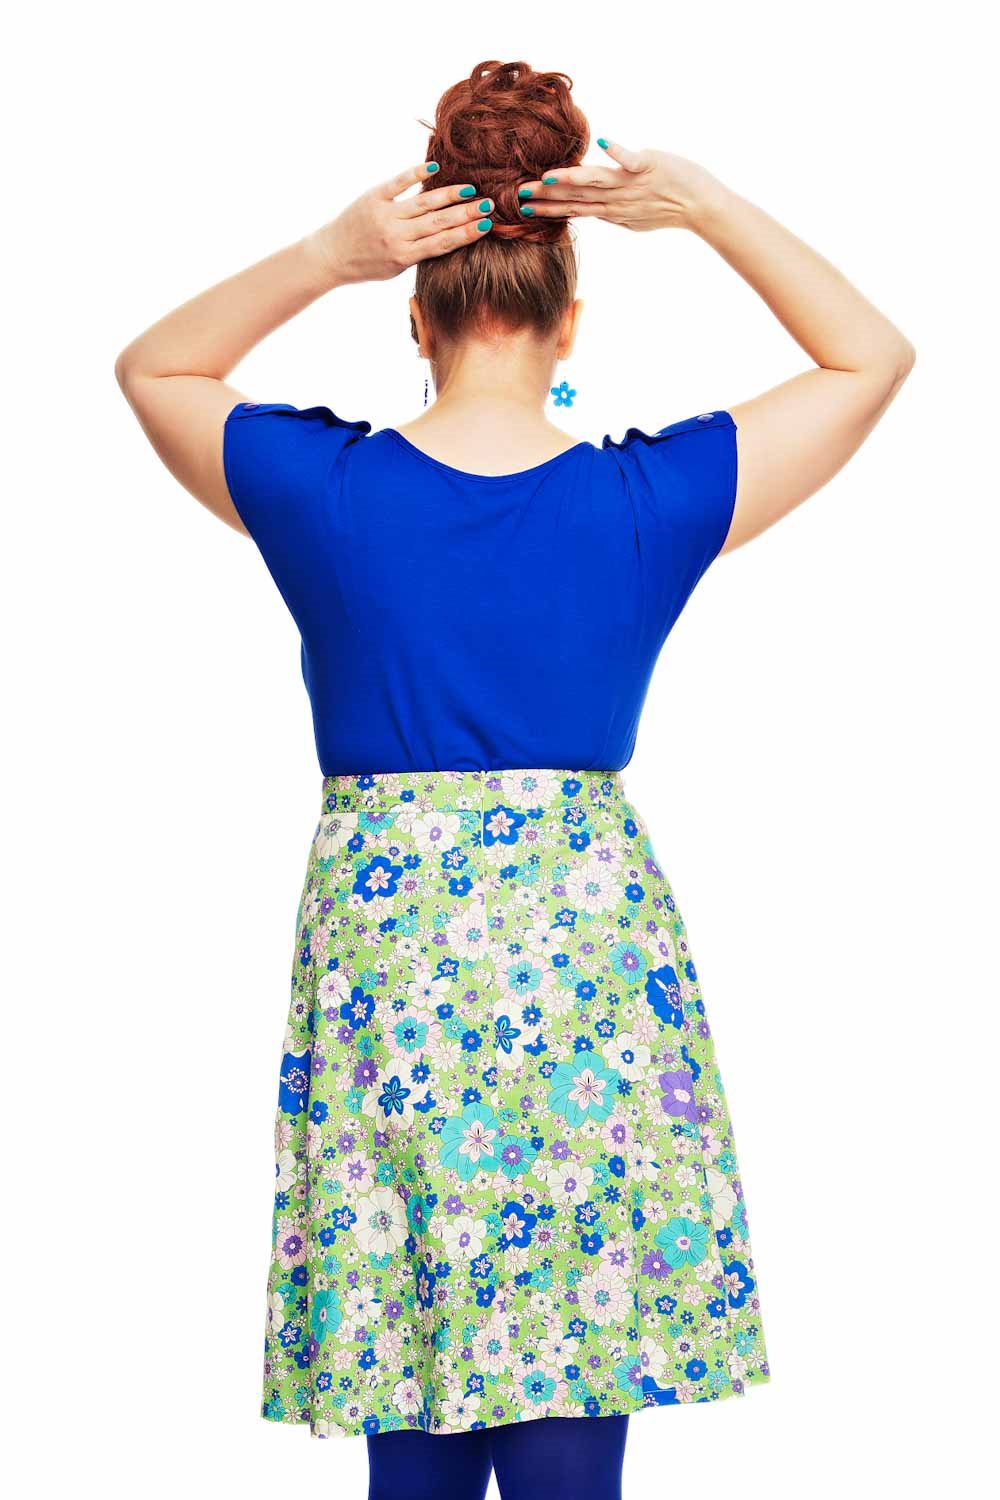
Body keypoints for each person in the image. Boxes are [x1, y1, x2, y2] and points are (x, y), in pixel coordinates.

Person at [114, 57, 914, 1500]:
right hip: (586, 984)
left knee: (410, 1427)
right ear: (570, 319)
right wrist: (703, 206)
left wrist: (328, 253)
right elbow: (872, 358)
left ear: (414, 315)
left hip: (393, 979)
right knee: (571, 1432)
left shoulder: (329, 494)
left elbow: (154, 368)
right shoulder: (641, 503)